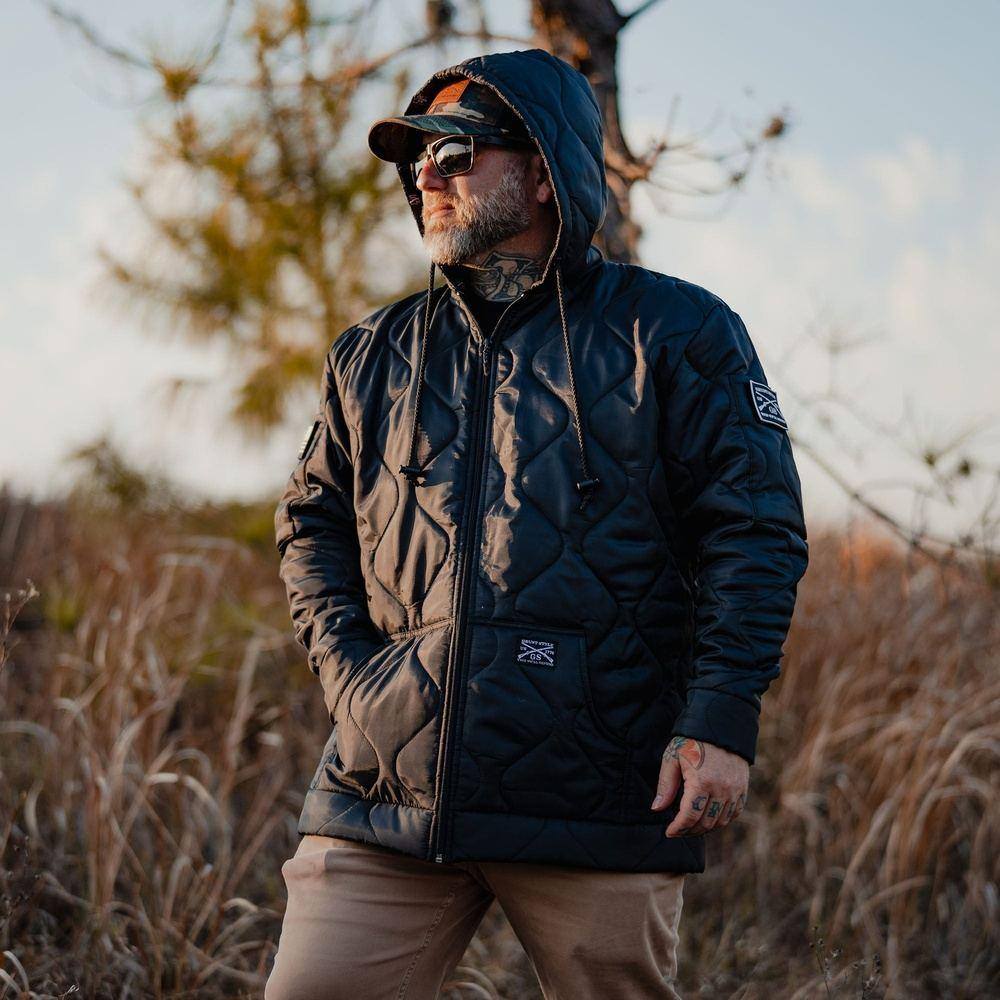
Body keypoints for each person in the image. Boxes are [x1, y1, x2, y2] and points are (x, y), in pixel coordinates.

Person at [265, 48, 808, 1000]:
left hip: (599, 792)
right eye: (416, 158)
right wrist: (355, 683)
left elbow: (754, 531)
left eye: (455, 151)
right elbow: (310, 525)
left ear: (546, 169)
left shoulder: (676, 331)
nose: (427, 175)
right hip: (389, 791)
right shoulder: (372, 353)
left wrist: (720, 717)